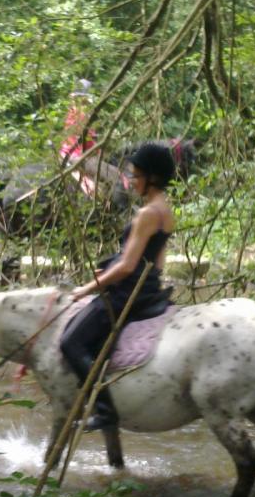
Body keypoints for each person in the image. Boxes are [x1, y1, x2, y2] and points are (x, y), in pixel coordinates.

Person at [61, 142, 176, 432]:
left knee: (70, 342)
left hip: (127, 292)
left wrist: (86, 289)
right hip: (148, 287)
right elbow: (157, 261)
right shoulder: (166, 212)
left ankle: (104, 410)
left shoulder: (146, 214)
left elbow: (127, 266)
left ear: (152, 178)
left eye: (136, 175)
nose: (131, 180)